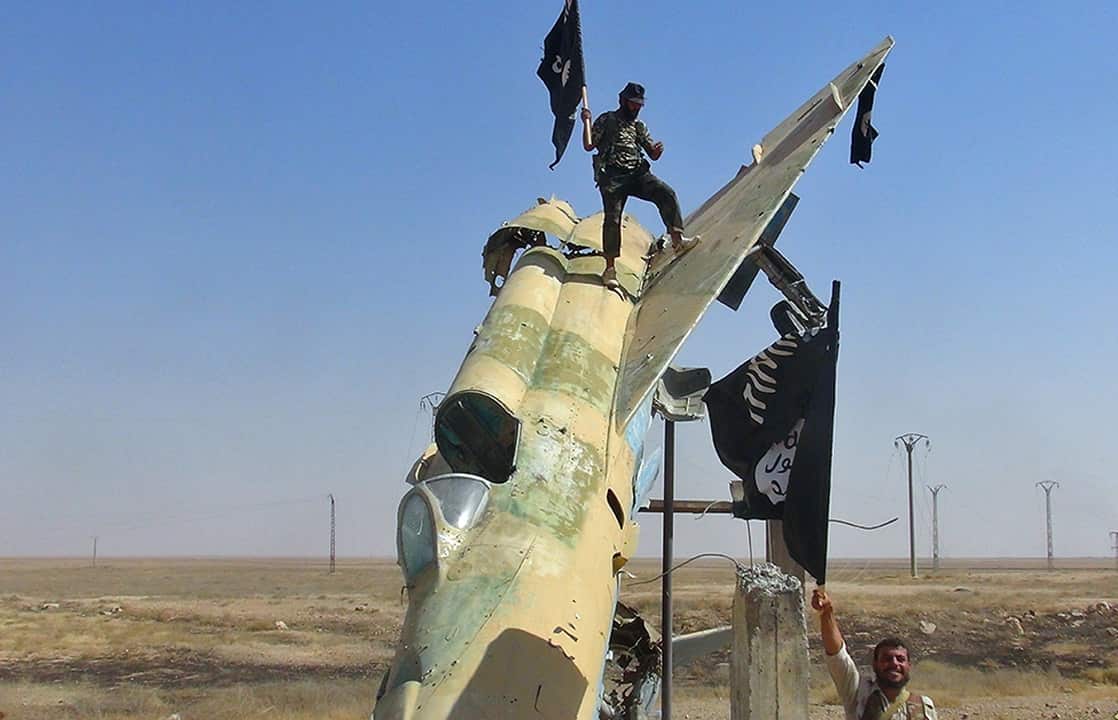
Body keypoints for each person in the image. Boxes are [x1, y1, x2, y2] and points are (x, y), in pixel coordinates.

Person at [580, 82, 696, 289]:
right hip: (613, 178)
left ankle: (677, 241)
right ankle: (609, 269)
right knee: (612, 220)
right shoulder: (607, 119)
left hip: (637, 173)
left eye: (639, 105)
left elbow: (651, 152)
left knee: (665, 193)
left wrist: (657, 150)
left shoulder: (638, 126)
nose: (636, 108)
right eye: (633, 104)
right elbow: (589, 145)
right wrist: (586, 122)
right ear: (623, 101)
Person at [811, 588, 938, 720]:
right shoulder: (858, 692)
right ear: (875, 664)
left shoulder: (922, 706)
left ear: (909, 665)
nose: (894, 663)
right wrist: (827, 612)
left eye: (900, 659)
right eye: (887, 659)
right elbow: (837, 655)